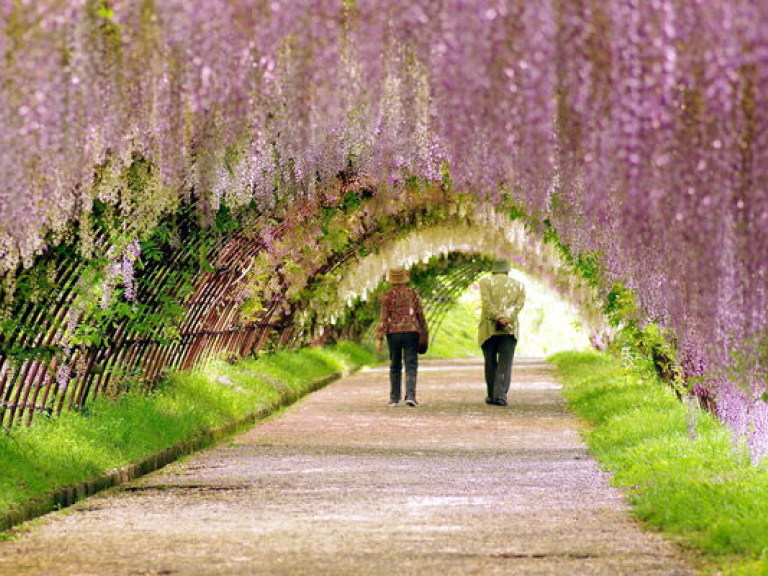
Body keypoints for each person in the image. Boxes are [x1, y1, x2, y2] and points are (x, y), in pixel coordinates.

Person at [477, 258, 526, 406]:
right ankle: (500, 396)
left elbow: (486, 303)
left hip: (488, 328)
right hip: (509, 329)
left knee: (490, 362)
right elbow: (519, 305)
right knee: (505, 363)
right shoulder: (519, 285)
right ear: (507, 269)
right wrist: (506, 317)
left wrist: (498, 316)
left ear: (493, 269)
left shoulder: (485, 282)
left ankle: (492, 396)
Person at [377, 267, 427, 407]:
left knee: (395, 365)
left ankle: (394, 398)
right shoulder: (412, 294)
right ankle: (411, 396)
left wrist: (379, 337)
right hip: (412, 331)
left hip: (393, 333)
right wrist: (423, 330)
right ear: (405, 278)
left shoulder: (387, 296)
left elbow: (384, 318)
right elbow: (420, 315)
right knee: (411, 364)